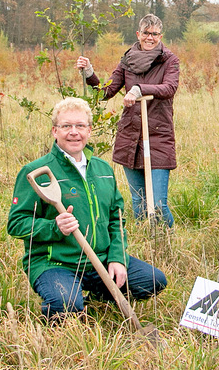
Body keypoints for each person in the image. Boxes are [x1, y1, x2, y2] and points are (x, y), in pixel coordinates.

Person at [7, 97, 167, 320]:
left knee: (153, 281)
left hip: (99, 260)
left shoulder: (103, 170)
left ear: (89, 130)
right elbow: (16, 224)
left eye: (80, 126)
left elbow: (116, 219)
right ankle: (65, 302)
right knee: (66, 304)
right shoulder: (36, 171)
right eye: (66, 126)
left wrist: (117, 258)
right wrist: (54, 227)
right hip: (55, 263)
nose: (74, 132)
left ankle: (95, 297)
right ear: (55, 131)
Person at [75, 14, 179, 228]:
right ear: (138, 34)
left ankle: (166, 245)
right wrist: (89, 73)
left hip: (158, 136)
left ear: (161, 36)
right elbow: (107, 91)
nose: (150, 38)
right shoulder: (127, 60)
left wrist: (140, 89)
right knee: (139, 202)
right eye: (146, 33)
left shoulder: (169, 60)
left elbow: (169, 88)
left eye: (155, 34)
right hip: (130, 137)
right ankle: (144, 246)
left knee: (158, 204)